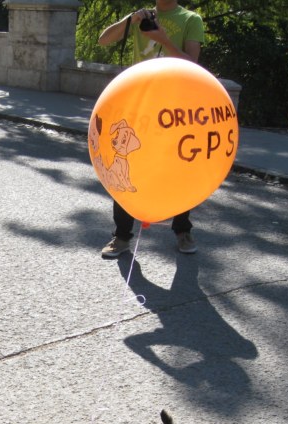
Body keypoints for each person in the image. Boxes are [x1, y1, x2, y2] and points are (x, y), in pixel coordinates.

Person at [97, 1, 204, 257]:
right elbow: (103, 40)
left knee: (179, 170)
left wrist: (163, 39)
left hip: (175, 110)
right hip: (139, 106)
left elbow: (193, 65)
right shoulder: (142, 16)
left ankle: (183, 231)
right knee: (126, 168)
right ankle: (121, 236)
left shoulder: (191, 19)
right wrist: (131, 20)